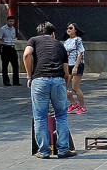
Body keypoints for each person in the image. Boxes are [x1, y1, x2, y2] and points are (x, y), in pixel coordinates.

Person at [23, 22, 75, 159]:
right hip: (58, 80)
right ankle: (63, 149)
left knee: (40, 117)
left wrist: (29, 76)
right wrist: (65, 86)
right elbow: (66, 72)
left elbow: (27, 55)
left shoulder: (33, 40)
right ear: (53, 34)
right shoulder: (59, 44)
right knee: (62, 115)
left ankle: (44, 151)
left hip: (39, 80)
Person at [64, 23, 87, 114]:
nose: (68, 30)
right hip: (68, 65)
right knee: (63, 87)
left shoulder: (78, 40)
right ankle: (73, 103)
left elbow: (80, 53)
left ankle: (83, 106)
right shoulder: (66, 41)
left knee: (75, 87)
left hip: (77, 65)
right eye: (67, 28)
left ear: (75, 30)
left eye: (70, 28)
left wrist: (76, 67)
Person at [0, 14, 21, 86]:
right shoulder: (3, 29)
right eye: (10, 21)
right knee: (5, 65)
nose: (11, 23)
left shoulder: (13, 29)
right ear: (7, 21)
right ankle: (6, 81)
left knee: (15, 65)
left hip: (12, 47)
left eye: (12, 21)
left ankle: (16, 81)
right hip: (5, 47)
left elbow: (14, 38)